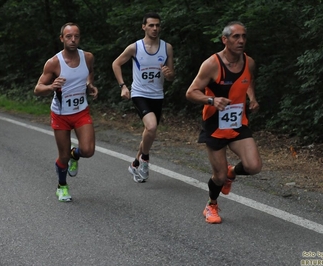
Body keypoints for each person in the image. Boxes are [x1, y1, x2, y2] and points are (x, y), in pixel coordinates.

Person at [185, 21, 262, 224]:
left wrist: (252, 98)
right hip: (215, 125)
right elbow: (191, 92)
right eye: (236, 37)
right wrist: (212, 100)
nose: (241, 40)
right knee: (218, 177)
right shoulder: (212, 64)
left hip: (238, 124)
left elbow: (248, 79)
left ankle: (232, 172)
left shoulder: (249, 62)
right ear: (224, 40)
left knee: (254, 166)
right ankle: (211, 205)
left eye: (244, 36)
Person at [34, 22, 98, 202]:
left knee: (88, 150)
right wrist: (51, 86)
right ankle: (62, 186)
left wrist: (90, 85)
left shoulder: (87, 57)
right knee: (62, 155)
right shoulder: (54, 63)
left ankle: (74, 155)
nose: (73, 40)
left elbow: (89, 73)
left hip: (81, 111)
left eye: (76, 36)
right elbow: (37, 89)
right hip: (60, 115)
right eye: (69, 36)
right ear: (62, 38)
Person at [112, 12, 175, 183]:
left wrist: (169, 74)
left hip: (157, 95)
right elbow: (116, 63)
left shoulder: (166, 48)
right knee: (152, 127)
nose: (155, 28)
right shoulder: (135, 47)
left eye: (157, 25)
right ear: (144, 27)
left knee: (149, 132)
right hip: (139, 93)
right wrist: (123, 86)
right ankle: (145, 160)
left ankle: (134, 164)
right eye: (151, 25)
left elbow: (171, 75)